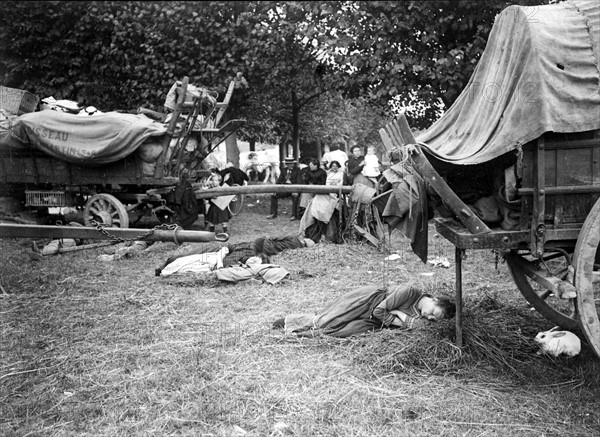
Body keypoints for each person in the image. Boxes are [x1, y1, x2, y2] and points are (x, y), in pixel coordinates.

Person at [272, 283, 456, 338]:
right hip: (367, 301)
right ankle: (288, 321)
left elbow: (417, 327)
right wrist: (401, 319)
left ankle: (298, 335)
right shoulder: (410, 292)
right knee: (328, 320)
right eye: (433, 311)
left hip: (376, 321)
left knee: (339, 332)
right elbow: (379, 310)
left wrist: (398, 314)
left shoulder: (422, 315)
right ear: (435, 300)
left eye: (433, 318)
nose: (429, 316)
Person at [203, 167, 232, 233]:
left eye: (216, 180)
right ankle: (211, 233)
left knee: (223, 222)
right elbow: (207, 197)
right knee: (212, 222)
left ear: (219, 181)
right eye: (213, 180)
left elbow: (226, 197)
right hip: (213, 207)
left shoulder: (221, 189)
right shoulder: (210, 189)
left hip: (221, 207)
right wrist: (210, 197)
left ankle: (226, 232)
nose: (214, 182)